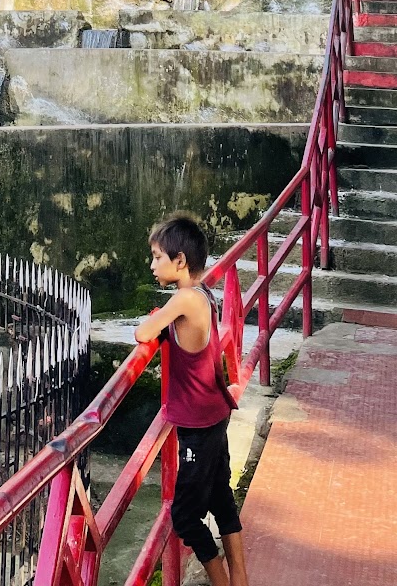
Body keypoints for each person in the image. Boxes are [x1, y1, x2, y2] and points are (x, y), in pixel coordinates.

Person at [135, 216, 249, 586]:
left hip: (198, 426)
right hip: (213, 414)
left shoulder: (183, 299)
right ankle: (240, 579)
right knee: (219, 496)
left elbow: (143, 332)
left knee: (184, 516)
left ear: (179, 261)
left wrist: (156, 322)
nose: (152, 265)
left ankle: (221, 582)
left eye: (156, 257)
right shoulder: (203, 294)